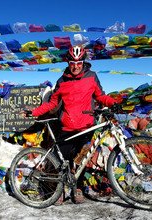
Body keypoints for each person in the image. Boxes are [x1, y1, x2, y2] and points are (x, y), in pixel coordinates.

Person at [24, 45, 119, 203]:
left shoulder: (92, 77)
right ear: (68, 62)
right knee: (60, 162)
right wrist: (34, 112)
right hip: (67, 128)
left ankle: (78, 189)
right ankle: (57, 190)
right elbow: (52, 104)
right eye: (72, 63)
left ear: (83, 62)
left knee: (81, 162)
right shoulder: (61, 81)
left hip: (86, 127)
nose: (75, 66)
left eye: (79, 62)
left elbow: (101, 96)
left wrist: (113, 103)